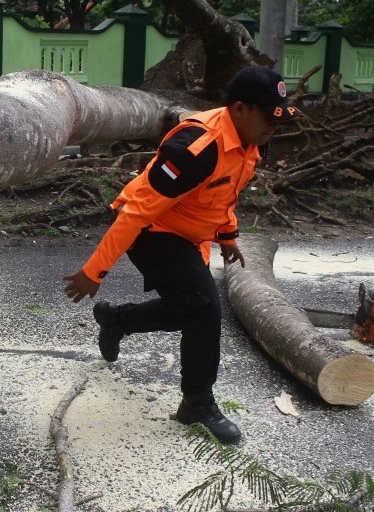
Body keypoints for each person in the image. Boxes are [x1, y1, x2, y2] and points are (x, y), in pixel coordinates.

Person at [62, 66, 303, 445]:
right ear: (239, 109)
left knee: (189, 305)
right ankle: (198, 403)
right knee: (205, 308)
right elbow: (136, 212)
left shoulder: (254, 140)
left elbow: (225, 193)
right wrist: (94, 271)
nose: (274, 126)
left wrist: (227, 236)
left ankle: (118, 320)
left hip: (190, 235)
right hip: (151, 229)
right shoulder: (195, 147)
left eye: (279, 117)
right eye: (267, 116)